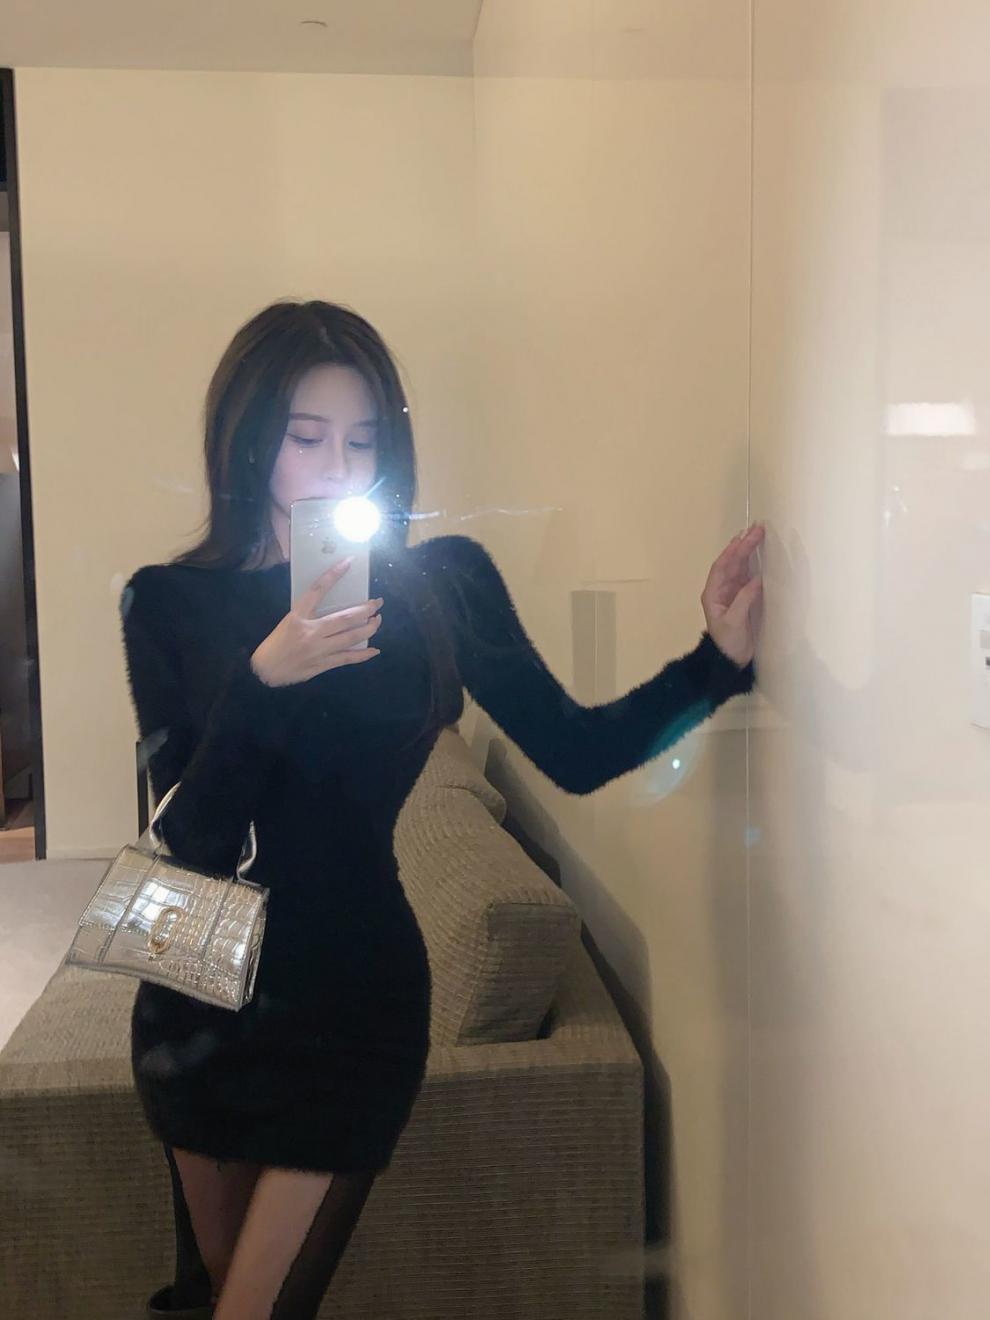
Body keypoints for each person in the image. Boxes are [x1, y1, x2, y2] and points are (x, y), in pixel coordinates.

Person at [121, 298, 765, 1320]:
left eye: (363, 441)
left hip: (348, 1009)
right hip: (194, 1001)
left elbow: (577, 750)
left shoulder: (442, 588)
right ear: (246, 441)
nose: (338, 468)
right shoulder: (168, 602)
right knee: (206, 1298)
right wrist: (265, 678)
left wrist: (714, 664)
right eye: (306, 437)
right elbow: (189, 834)